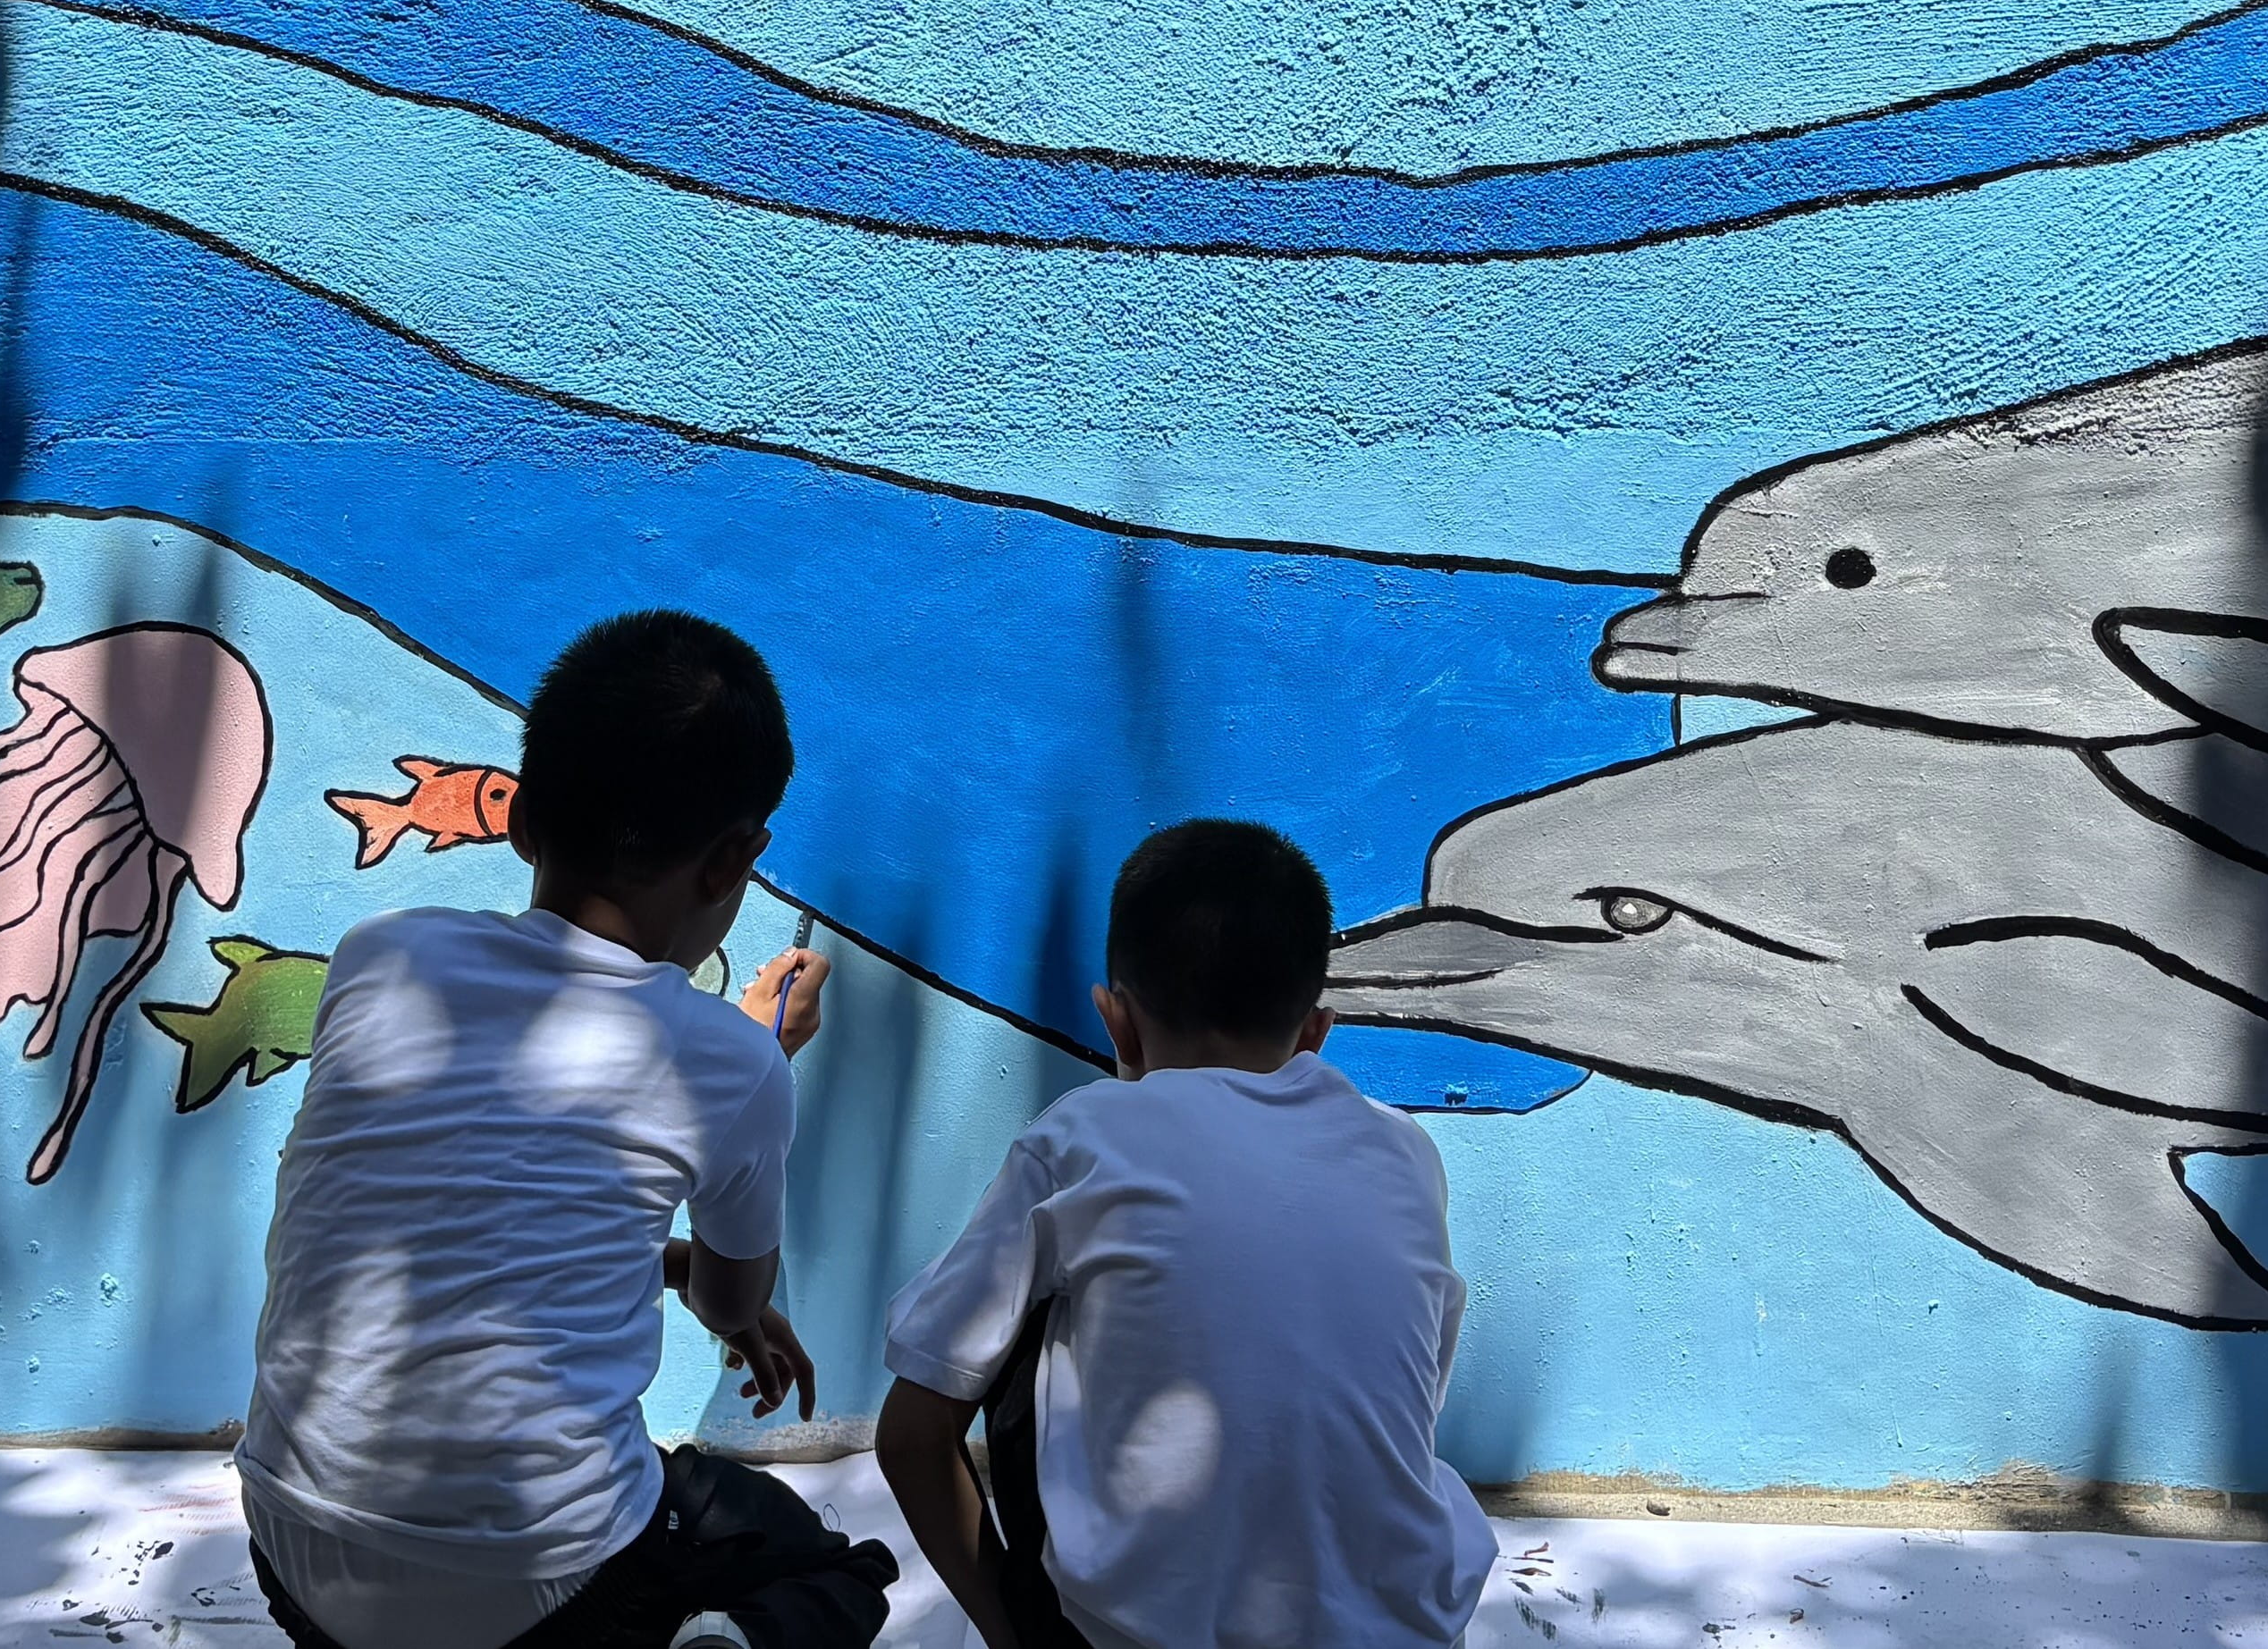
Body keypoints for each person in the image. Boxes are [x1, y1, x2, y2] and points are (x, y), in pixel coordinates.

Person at [237, 611, 895, 1649]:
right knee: (834, 1570)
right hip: (537, 1587)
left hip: (286, 1541)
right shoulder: (731, 1062)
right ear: (735, 860)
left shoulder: (377, 959)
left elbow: (479, 1190)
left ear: (523, 820)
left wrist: (666, 1256)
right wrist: (761, 1046)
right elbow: (735, 1298)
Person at [870, 820, 1496, 1649]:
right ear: (1315, 1032)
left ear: (1115, 1023)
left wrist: (1010, 1631)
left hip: (1137, 1634)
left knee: (1018, 1324)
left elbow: (912, 1437)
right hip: (1408, 1628)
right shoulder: (1405, 1150)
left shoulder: (1084, 1135)